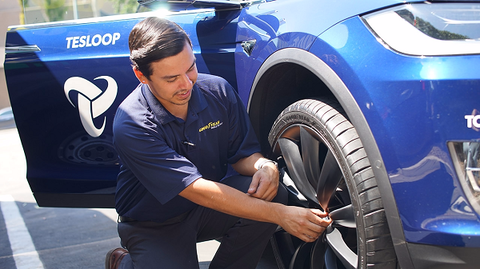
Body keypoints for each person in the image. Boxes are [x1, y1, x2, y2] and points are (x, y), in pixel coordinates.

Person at [105, 17, 331, 269]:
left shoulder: (217, 91)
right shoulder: (132, 123)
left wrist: (266, 166)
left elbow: (242, 155)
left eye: (190, 68)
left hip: (206, 211)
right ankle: (125, 263)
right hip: (153, 223)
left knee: (272, 192)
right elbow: (197, 190)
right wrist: (281, 215)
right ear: (141, 75)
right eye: (171, 79)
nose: (186, 84)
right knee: (272, 207)